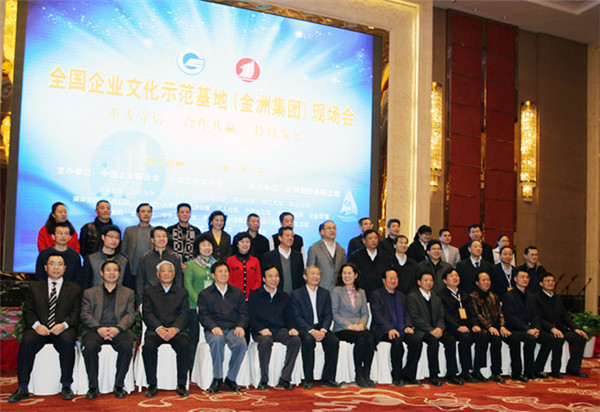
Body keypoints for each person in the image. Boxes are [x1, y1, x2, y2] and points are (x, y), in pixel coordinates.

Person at [8, 254, 82, 403]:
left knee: (68, 341)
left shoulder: (75, 289)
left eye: (59, 264)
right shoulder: (35, 287)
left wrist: (63, 325)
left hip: (62, 329)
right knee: (27, 341)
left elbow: (76, 313)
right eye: (52, 264)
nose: (56, 267)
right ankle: (23, 386)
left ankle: (66, 384)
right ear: (46, 267)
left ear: (65, 268)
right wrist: (37, 325)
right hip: (39, 329)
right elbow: (28, 310)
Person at [80, 261, 135, 399]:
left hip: (119, 330)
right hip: (96, 330)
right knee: (90, 347)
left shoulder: (128, 293)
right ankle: (93, 386)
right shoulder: (89, 293)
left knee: (126, 346)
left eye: (115, 270)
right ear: (101, 273)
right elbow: (85, 314)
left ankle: (119, 385)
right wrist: (98, 328)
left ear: (119, 273)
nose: (112, 273)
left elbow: (130, 315)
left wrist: (118, 328)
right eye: (108, 270)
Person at [197, 261, 248, 394]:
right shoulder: (205, 294)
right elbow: (203, 315)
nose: (224, 274)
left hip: (232, 329)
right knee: (217, 340)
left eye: (226, 271)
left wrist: (240, 326)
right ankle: (217, 378)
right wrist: (213, 326)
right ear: (213, 275)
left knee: (241, 343)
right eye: (220, 271)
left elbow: (244, 313)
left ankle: (231, 378)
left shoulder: (237, 293)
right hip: (214, 330)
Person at [248, 265, 301, 390]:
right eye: (270, 276)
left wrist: (292, 328)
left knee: (295, 340)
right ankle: (264, 380)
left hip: (279, 330)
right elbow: (250, 317)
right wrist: (260, 328)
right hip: (261, 331)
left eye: (276, 276)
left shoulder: (284, 296)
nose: (274, 279)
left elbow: (290, 316)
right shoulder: (255, 295)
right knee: (266, 341)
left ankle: (285, 378)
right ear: (264, 279)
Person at [142, 260, 190, 398]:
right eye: (163, 271)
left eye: (169, 271)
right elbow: (147, 313)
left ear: (174, 274)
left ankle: (181, 384)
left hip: (176, 331)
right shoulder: (149, 292)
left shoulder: (182, 292)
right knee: (148, 347)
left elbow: (185, 313)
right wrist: (159, 328)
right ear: (158, 275)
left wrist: (175, 328)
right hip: (155, 331)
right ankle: (152, 384)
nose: (166, 273)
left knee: (184, 345)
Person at [407, 271, 463, 386]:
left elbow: (441, 316)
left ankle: (451, 374)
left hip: (436, 329)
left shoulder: (436, 298)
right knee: (433, 342)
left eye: (431, 280)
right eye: (426, 280)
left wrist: (439, 328)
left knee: (450, 340)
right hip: (421, 330)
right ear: (419, 282)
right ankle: (433, 375)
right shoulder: (412, 297)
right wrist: (430, 330)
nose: (429, 283)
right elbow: (415, 317)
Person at [370, 268, 422, 386]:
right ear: (384, 280)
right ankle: (397, 376)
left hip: (401, 329)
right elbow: (377, 315)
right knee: (397, 341)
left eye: (395, 278)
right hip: (383, 330)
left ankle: (408, 374)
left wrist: (408, 325)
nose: (393, 280)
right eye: (390, 278)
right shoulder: (376, 294)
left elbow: (407, 313)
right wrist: (389, 328)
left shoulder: (402, 296)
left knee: (416, 341)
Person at [291, 266, 341, 389]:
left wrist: (323, 330)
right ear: (305, 276)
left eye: (318, 274)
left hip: (321, 327)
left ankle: (328, 378)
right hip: (305, 328)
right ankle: (308, 379)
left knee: (333, 341)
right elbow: (297, 317)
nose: (315, 276)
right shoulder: (296, 294)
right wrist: (312, 331)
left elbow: (328, 315)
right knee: (308, 341)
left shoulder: (325, 293)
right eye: (312, 273)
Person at [534, 272, 588, 378]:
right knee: (557, 338)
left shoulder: (557, 297)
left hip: (559, 328)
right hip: (545, 329)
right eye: (547, 281)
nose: (551, 283)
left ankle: (573, 369)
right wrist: (552, 328)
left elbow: (564, 315)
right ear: (541, 284)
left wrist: (575, 328)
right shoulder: (536, 297)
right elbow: (538, 318)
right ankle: (555, 370)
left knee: (580, 337)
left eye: (552, 281)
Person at [438, 268, 488, 383]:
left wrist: (475, 324)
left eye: (456, 275)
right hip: (451, 327)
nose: (455, 278)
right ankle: (465, 371)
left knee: (482, 336)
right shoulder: (441, 295)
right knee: (465, 337)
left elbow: (472, 312)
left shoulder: (464, 295)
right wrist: (457, 327)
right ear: (445, 281)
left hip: (467, 325)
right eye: (451, 276)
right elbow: (445, 315)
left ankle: (477, 370)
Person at [331, 263, 375, 387]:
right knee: (361, 339)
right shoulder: (337, 291)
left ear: (355, 275)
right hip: (342, 328)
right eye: (344, 273)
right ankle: (358, 373)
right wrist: (349, 326)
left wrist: (361, 324)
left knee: (370, 338)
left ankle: (366, 373)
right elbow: (334, 313)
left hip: (359, 327)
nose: (347, 276)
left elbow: (365, 313)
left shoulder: (361, 292)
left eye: (349, 273)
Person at [502, 271, 551, 381]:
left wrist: (536, 328)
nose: (525, 279)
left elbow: (535, 315)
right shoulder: (509, 295)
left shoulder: (530, 296)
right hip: (514, 328)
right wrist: (528, 329)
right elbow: (511, 317)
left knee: (549, 339)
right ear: (515, 279)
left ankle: (536, 369)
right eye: (522, 277)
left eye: (527, 277)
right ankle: (517, 372)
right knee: (528, 339)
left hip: (529, 329)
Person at [469, 271, 511, 383]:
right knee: (483, 338)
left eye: (488, 280)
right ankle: (477, 370)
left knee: (497, 339)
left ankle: (496, 372)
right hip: (481, 328)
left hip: (494, 328)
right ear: (477, 283)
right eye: (483, 280)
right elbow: (477, 315)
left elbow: (501, 313)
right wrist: (488, 327)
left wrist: (502, 326)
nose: (486, 282)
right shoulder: (473, 296)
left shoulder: (494, 297)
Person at [183, 234, 216, 372]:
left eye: (209, 245)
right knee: (194, 338)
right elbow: (188, 285)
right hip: (194, 307)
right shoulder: (191, 265)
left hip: (214, 309)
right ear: (198, 247)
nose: (207, 248)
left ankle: (209, 369)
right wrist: (200, 302)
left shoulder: (217, 265)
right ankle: (192, 369)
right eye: (203, 245)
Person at [136, 226, 183, 307]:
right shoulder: (144, 258)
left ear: (167, 239)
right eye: (158, 236)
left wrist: (178, 300)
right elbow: (140, 282)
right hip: (150, 298)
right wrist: (140, 302)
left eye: (164, 236)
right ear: (152, 240)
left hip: (171, 298)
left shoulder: (175, 257)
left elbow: (178, 281)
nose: (161, 239)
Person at [82, 225, 131, 289]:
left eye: (117, 237)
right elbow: (85, 283)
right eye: (111, 236)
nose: (114, 240)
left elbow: (127, 285)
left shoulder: (124, 260)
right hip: (96, 294)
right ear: (103, 237)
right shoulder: (91, 258)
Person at [349, 229, 391, 300]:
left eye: (375, 238)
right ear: (364, 241)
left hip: (381, 294)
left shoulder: (385, 256)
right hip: (362, 293)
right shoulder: (356, 256)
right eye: (370, 238)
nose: (373, 240)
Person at [262, 227, 305, 294]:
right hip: (276, 294)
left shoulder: (298, 256)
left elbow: (300, 278)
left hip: (294, 294)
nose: (290, 238)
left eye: (292, 236)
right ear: (280, 238)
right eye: (287, 235)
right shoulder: (269, 256)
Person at [307, 220, 346, 292]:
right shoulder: (314, 248)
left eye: (334, 228)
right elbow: (310, 270)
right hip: (321, 289)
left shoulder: (341, 250)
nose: (332, 230)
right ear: (322, 232)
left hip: (338, 290)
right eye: (329, 228)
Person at [121, 203, 153, 285]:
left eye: (148, 212)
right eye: (143, 211)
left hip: (151, 273)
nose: (146, 214)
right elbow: (123, 251)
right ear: (137, 214)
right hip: (133, 271)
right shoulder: (129, 230)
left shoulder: (155, 231)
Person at [166, 203, 202, 270]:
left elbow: (198, 250)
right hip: (173, 266)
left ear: (190, 214)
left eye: (187, 212)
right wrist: (177, 263)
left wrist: (189, 264)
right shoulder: (170, 230)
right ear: (177, 214)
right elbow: (168, 248)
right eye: (182, 212)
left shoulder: (196, 231)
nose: (185, 214)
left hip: (192, 267)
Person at [227, 232, 262, 299]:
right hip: (234, 297)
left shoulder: (255, 260)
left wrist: (253, 294)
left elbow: (258, 280)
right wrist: (235, 293)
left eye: (247, 242)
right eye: (242, 242)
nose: (245, 244)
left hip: (252, 297)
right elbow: (229, 280)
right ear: (237, 244)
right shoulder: (230, 260)